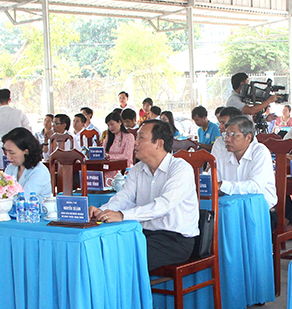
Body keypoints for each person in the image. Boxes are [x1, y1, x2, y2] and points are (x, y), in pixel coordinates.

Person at [91, 120, 199, 270]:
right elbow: (124, 197)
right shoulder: (137, 169)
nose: (135, 143)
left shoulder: (180, 169)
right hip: (143, 233)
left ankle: (131, 294)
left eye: (141, 138)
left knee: (123, 258)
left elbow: (163, 205)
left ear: (159, 144)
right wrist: (103, 211)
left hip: (174, 240)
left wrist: (122, 215)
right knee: (104, 248)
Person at [217, 116, 277, 208]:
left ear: (248, 137)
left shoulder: (260, 152)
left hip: (258, 210)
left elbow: (255, 187)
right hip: (230, 208)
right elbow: (212, 182)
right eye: (226, 135)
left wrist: (222, 185)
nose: (227, 139)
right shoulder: (222, 156)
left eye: (233, 135)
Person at [1, 127, 51, 198]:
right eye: (6, 151)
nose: (8, 156)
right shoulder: (10, 168)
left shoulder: (39, 172)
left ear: (26, 152)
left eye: (12, 153)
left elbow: (23, 198)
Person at [103, 111, 135, 179]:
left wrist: (109, 157)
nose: (110, 127)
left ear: (120, 122)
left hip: (122, 169)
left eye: (112, 124)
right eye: (108, 125)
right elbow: (103, 152)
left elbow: (127, 156)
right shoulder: (109, 138)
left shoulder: (129, 137)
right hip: (108, 167)